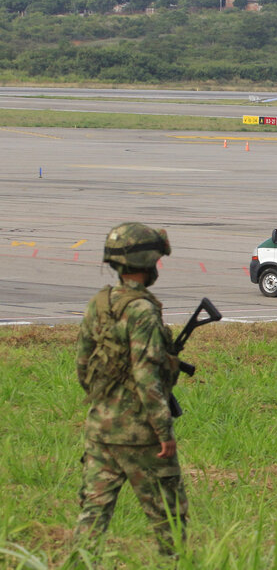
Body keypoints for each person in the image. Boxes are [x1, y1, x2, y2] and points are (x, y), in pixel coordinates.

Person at [73, 223, 186, 558]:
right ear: (149, 264)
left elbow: (83, 367)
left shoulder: (99, 303)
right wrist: (163, 431)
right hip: (141, 436)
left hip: (100, 431)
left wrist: (106, 406)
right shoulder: (143, 311)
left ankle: (79, 564)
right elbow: (146, 375)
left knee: (92, 515)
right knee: (169, 519)